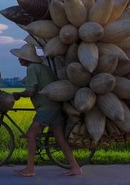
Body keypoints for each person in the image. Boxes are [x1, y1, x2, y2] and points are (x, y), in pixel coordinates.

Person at [10, 43, 82, 177]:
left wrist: (18, 94)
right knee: (60, 138)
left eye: (20, 57)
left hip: (46, 109)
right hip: (55, 107)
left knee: (31, 134)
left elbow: (31, 92)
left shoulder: (32, 68)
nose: (19, 59)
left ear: (26, 59)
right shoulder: (43, 68)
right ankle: (75, 167)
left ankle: (30, 168)